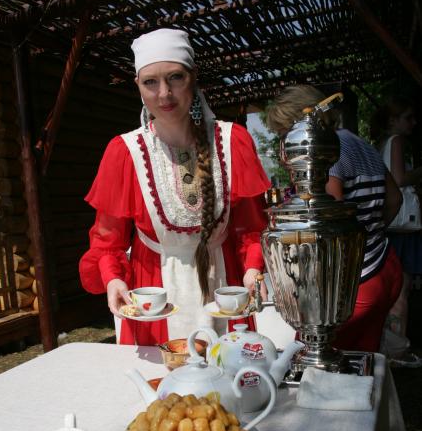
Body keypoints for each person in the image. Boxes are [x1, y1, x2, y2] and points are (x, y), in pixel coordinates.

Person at [79, 28, 270, 345]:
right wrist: (113, 278)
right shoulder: (124, 153)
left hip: (222, 285)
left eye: (175, 78)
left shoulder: (231, 141)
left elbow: (252, 227)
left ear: (193, 78)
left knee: (227, 380)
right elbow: (107, 240)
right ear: (138, 86)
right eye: (150, 82)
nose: (164, 93)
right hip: (155, 293)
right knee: (164, 388)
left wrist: (253, 270)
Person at [266, 84, 403, 354]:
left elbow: (328, 228)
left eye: (285, 133)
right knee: (363, 363)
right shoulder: (360, 143)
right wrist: (368, 233)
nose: (287, 143)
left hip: (355, 283)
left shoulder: (327, 151)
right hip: (386, 267)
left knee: (311, 363)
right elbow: (395, 198)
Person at [371, 96, 422, 350]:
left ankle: (392, 343)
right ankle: (398, 346)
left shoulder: (381, 144)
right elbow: (400, 179)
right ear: (393, 120)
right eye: (408, 118)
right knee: (402, 288)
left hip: (392, 226)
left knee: (392, 287)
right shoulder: (397, 141)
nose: (413, 123)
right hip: (403, 225)